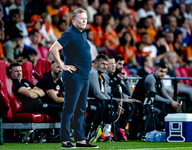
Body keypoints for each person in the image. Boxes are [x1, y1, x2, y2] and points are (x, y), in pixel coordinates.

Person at [49, 8, 98, 148]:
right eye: (81, 18)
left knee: (81, 109)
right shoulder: (69, 33)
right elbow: (53, 48)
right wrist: (62, 65)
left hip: (84, 77)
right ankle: (65, 141)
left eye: (85, 19)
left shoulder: (83, 34)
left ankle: (80, 140)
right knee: (69, 108)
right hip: (74, 77)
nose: (84, 21)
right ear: (74, 19)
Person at [104, 56, 139, 141]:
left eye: (122, 64)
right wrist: (121, 100)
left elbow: (129, 94)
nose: (120, 67)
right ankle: (112, 130)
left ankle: (128, 131)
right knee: (125, 106)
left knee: (136, 105)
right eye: (119, 64)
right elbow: (107, 93)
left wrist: (126, 79)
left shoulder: (118, 77)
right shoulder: (106, 77)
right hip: (109, 101)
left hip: (116, 100)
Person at [88, 54, 118, 142]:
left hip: (95, 99)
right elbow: (97, 93)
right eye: (102, 64)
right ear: (96, 63)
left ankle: (105, 130)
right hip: (87, 99)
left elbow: (104, 93)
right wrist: (111, 102)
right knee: (103, 104)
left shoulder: (101, 75)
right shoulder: (93, 73)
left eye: (106, 64)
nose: (105, 66)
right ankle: (97, 130)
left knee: (112, 103)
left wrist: (112, 101)